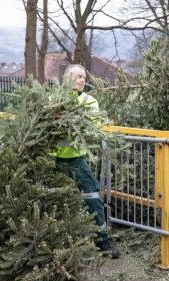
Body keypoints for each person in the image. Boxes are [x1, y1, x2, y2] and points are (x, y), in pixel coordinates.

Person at [52, 64, 120, 259]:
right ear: (66, 79)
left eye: (84, 77)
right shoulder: (52, 100)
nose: (82, 80)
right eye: (78, 76)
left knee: (92, 196)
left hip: (76, 159)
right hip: (51, 159)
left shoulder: (89, 101)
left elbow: (94, 126)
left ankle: (101, 240)